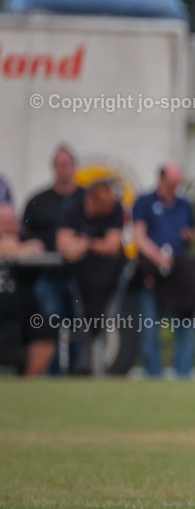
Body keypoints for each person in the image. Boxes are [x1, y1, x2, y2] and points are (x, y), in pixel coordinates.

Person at [133, 162, 195, 379]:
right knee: (150, 327)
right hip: (152, 271)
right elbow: (139, 237)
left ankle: (183, 375)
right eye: (171, 183)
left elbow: (189, 234)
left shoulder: (185, 205)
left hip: (178, 273)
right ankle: (154, 376)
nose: (174, 187)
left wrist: (193, 236)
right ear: (161, 179)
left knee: (185, 323)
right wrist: (158, 257)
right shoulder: (144, 202)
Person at [55, 178, 125, 371]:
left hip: (110, 277)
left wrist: (87, 243)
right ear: (91, 199)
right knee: (80, 320)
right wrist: (77, 246)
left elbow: (112, 246)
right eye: (105, 204)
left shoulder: (115, 208)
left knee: (106, 320)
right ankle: (81, 367)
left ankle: (100, 367)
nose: (110, 208)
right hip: (80, 277)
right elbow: (64, 245)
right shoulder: (72, 208)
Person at [21, 144, 79, 373]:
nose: (63, 169)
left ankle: (76, 374)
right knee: (48, 327)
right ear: (53, 167)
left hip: (79, 277)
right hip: (47, 277)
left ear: (74, 166)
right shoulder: (38, 201)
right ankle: (50, 375)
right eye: (59, 164)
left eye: (67, 164)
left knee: (79, 328)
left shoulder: (84, 199)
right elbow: (24, 235)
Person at [0, 203, 51, 376]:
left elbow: (37, 248)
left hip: (21, 311)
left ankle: (29, 383)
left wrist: (14, 249)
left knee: (46, 328)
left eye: (12, 220)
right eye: (4, 220)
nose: (8, 224)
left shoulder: (29, 241)